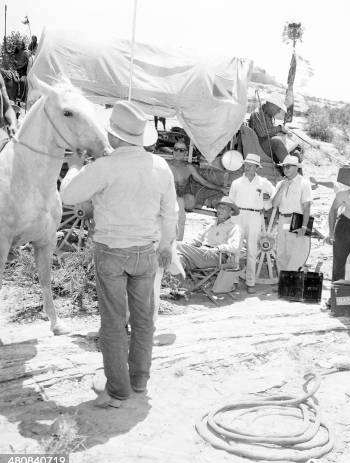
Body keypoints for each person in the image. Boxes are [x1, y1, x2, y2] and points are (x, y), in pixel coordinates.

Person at [60, 100, 177, 408]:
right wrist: (164, 247)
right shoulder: (160, 166)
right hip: (145, 252)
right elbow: (171, 214)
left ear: (116, 136)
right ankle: (139, 380)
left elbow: (69, 195)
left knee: (113, 324)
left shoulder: (106, 166)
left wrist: (74, 166)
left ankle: (119, 389)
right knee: (143, 321)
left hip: (111, 251)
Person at [229, 154, 275, 293]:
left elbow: (275, 194)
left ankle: (250, 282)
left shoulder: (263, 182)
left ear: (257, 167)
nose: (248, 167)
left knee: (252, 250)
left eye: (251, 165)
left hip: (255, 215)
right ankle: (233, 281)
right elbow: (230, 202)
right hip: (238, 215)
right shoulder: (236, 182)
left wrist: (266, 205)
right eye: (246, 164)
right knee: (235, 248)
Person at [167, 139, 225, 241]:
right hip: (168, 199)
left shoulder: (188, 167)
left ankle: (178, 240)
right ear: (172, 151)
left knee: (180, 201)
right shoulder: (165, 165)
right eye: (176, 149)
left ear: (185, 153)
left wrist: (220, 188)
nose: (178, 152)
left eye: (181, 150)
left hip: (183, 200)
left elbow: (204, 182)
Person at [176, 197, 242, 272]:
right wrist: (190, 244)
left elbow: (235, 247)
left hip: (216, 257)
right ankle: (174, 283)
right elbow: (197, 240)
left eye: (224, 209)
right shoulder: (211, 224)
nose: (220, 210)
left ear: (231, 212)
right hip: (201, 254)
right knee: (179, 259)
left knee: (176, 245)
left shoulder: (234, 227)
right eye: (220, 208)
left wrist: (217, 248)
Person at [271, 155, 313, 271]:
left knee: (294, 254)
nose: (285, 169)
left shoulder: (304, 182)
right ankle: (282, 284)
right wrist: (282, 188)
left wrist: (304, 226)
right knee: (280, 253)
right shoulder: (281, 184)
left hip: (297, 221)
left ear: (296, 168)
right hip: (283, 220)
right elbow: (274, 204)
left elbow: (307, 206)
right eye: (284, 167)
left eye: (288, 166)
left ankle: (291, 284)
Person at [249, 93, 290, 164]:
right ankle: (288, 166)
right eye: (278, 108)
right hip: (258, 147)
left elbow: (269, 130)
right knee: (277, 142)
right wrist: (279, 128)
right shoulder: (257, 114)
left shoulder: (268, 115)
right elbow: (262, 133)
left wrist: (281, 131)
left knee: (282, 139)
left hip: (264, 144)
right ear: (271, 105)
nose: (279, 111)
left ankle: (283, 163)